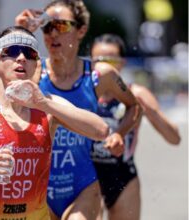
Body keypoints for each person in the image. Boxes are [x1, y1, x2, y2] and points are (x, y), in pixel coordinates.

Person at [0, 26, 109, 220]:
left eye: (30, 53)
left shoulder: (47, 105)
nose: (22, 57)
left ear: (35, 65)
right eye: (12, 51)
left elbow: (101, 131)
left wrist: (44, 103)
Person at [11, 1, 143, 219]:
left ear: (81, 30)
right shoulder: (34, 71)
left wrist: (120, 132)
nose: (53, 33)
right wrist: (21, 32)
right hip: (39, 185)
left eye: (61, 26)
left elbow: (134, 106)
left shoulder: (100, 75)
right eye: (47, 26)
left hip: (83, 186)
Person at [90, 33, 181, 220]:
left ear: (122, 63)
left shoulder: (135, 93)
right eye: (99, 60)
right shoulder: (82, 91)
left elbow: (174, 138)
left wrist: (150, 110)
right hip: (88, 174)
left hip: (123, 176)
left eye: (111, 60)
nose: (105, 66)